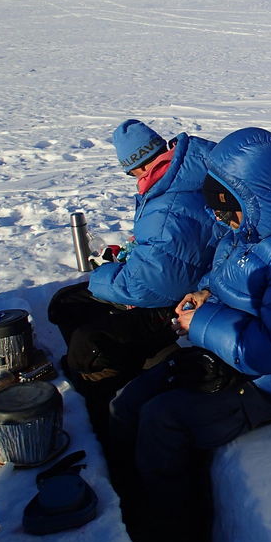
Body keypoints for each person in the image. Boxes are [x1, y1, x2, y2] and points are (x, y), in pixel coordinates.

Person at [107, 127, 271, 542]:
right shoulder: (259, 222)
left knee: (162, 421)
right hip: (228, 351)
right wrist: (205, 294)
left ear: (249, 197)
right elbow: (230, 269)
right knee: (126, 403)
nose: (222, 220)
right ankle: (128, 502)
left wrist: (202, 321)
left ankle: (172, 536)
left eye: (226, 211)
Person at [47, 119, 218, 430]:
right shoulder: (180, 177)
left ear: (137, 168)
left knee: (88, 341)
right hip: (179, 285)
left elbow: (147, 287)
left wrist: (102, 275)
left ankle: (107, 408)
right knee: (66, 303)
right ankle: (104, 366)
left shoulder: (168, 204)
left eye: (131, 174)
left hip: (180, 302)